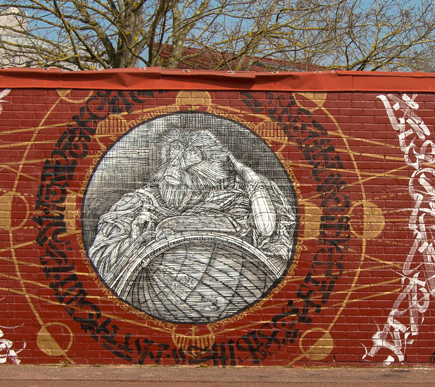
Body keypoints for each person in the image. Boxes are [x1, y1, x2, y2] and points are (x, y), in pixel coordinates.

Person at [88, 128, 295, 322]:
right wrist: (135, 239)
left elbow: (265, 228)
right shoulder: (135, 203)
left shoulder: (219, 202)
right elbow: (100, 261)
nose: (175, 170)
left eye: (187, 164)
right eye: (173, 161)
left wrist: (249, 176)